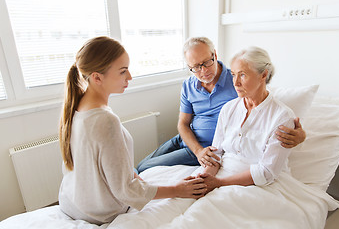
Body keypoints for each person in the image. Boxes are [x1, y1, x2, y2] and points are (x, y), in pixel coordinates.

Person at [58, 36, 206, 225]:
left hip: (71, 202)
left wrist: (131, 175)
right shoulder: (105, 120)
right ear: (97, 77)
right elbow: (126, 191)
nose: (129, 77)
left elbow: (99, 164)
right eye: (123, 71)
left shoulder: (76, 108)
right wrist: (177, 189)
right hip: (98, 212)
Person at [136, 37, 306, 173]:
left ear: (215, 55)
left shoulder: (236, 80)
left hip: (207, 148)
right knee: (138, 167)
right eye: (196, 67)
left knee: (144, 170)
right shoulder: (188, 85)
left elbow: (264, 103)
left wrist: (301, 135)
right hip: (187, 140)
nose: (203, 71)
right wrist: (196, 150)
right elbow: (183, 123)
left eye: (207, 62)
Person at [199, 46, 299, 191]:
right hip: (219, 176)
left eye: (243, 75)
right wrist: (205, 180)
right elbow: (216, 153)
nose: (235, 82)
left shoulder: (282, 117)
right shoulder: (228, 108)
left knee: (201, 211)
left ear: (263, 75)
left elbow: (266, 173)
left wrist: (219, 183)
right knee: (180, 199)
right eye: (233, 74)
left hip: (257, 186)